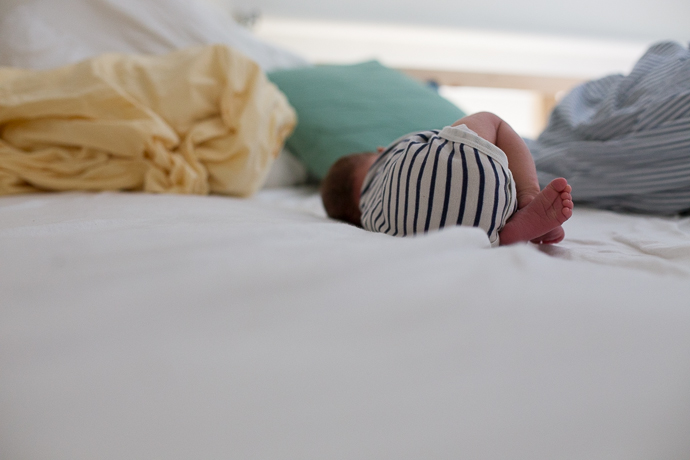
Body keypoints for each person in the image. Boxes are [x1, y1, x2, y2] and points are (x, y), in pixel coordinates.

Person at [320, 111, 573, 246]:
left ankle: (502, 235)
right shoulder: (390, 157)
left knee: (449, 218)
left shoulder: (372, 215)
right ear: (379, 152)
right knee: (492, 122)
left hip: (430, 231)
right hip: (468, 168)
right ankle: (528, 194)